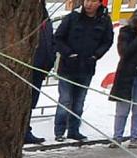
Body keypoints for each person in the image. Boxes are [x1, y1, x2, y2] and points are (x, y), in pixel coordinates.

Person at [54, 0, 114, 142]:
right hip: (68, 67)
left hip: (87, 67)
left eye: (93, 1)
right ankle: (59, 131)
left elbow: (107, 41)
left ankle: (74, 131)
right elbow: (58, 37)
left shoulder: (104, 20)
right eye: (87, 0)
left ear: (100, 3)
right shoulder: (72, 17)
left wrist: (96, 55)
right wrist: (68, 53)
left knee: (79, 101)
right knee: (65, 100)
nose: (88, 4)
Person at [111, 7, 137, 147]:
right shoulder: (126, 32)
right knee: (122, 109)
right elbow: (125, 52)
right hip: (126, 76)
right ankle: (117, 137)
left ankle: (135, 137)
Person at [26, 5, 56, 144]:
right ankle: (24, 131)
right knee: (24, 101)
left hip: (40, 69)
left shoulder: (46, 21)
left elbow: (51, 42)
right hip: (28, 68)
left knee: (31, 102)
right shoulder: (28, 19)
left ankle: (26, 129)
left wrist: (50, 62)